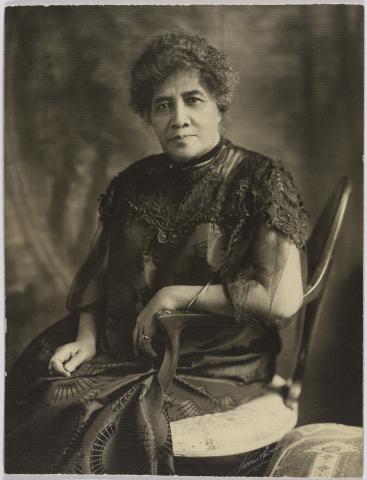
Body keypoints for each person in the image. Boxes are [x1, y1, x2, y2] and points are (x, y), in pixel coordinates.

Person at [5, 31, 308, 475]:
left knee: (82, 411)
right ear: (147, 115)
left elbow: (279, 301)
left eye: (194, 100)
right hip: (127, 342)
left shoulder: (260, 181)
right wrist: (87, 338)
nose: (179, 118)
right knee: (36, 378)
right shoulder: (134, 181)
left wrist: (173, 295)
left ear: (219, 107)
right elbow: (102, 275)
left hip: (218, 362)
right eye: (163, 105)